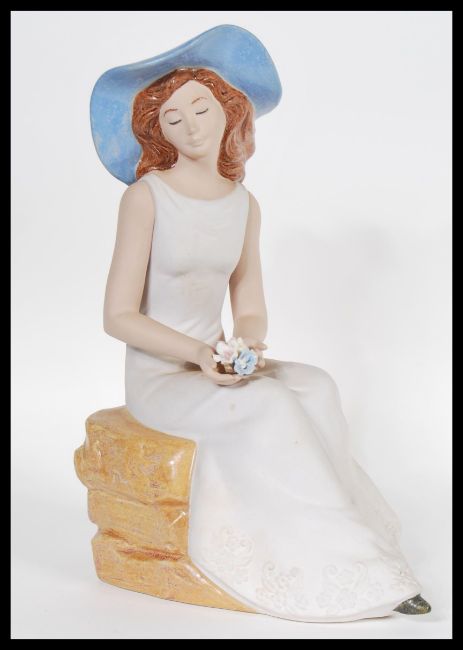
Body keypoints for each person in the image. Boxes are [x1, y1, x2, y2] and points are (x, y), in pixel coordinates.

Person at [91, 25, 431, 622]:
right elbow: (117, 316)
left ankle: (358, 544)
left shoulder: (243, 204)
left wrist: (245, 343)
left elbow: (249, 300)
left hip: (217, 364)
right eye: (173, 118)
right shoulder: (146, 198)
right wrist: (199, 354)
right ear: (156, 131)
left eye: (202, 107)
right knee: (270, 407)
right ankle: (351, 569)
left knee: (316, 386)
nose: (192, 126)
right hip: (163, 378)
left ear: (229, 110)